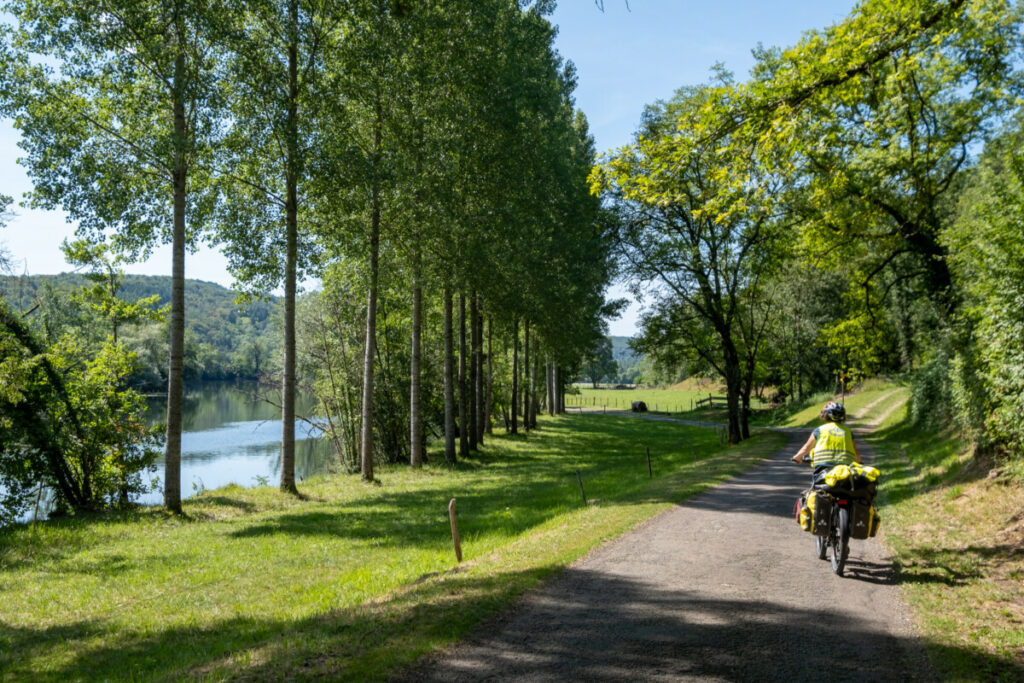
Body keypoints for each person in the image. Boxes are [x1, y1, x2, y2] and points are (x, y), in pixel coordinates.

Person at [791, 401, 862, 467]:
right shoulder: (848, 432)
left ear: (825, 415)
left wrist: (797, 457)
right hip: (845, 467)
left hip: (823, 466)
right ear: (843, 416)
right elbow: (855, 450)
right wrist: (859, 461)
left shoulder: (819, 430)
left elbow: (807, 447)